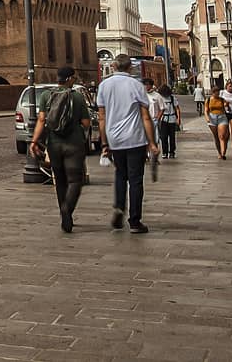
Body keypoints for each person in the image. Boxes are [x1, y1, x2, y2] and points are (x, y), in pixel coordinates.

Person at [96, 54, 159, 234]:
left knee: (120, 174)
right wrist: (152, 142)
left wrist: (104, 143)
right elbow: (146, 117)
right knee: (136, 180)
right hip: (135, 138)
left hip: (115, 139)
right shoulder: (136, 85)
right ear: (130, 68)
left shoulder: (104, 85)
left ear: (114, 66)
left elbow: (102, 117)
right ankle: (135, 221)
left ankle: (118, 206)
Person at [30, 66, 93, 233]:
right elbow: (86, 123)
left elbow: (41, 120)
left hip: (54, 144)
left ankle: (64, 215)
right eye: (74, 78)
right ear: (70, 78)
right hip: (74, 144)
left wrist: (34, 141)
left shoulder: (46, 96)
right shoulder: (77, 97)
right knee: (74, 180)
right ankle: (68, 209)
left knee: (60, 180)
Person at [205, 82, 230, 159]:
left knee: (222, 136)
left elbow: (227, 107)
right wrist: (207, 118)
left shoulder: (222, 100)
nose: (217, 94)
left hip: (222, 117)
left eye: (218, 92)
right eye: (216, 92)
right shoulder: (208, 100)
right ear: (212, 93)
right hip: (212, 118)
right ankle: (219, 152)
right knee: (216, 137)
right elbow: (206, 110)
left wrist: (227, 106)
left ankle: (223, 153)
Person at [155, 84, 180, 159]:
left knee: (172, 137)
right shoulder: (160, 98)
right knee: (163, 137)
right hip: (163, 119)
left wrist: (178, 118)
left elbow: (177, 108)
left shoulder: (172, 98)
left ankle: (172, 152)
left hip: (172, 119)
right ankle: (165, 152)